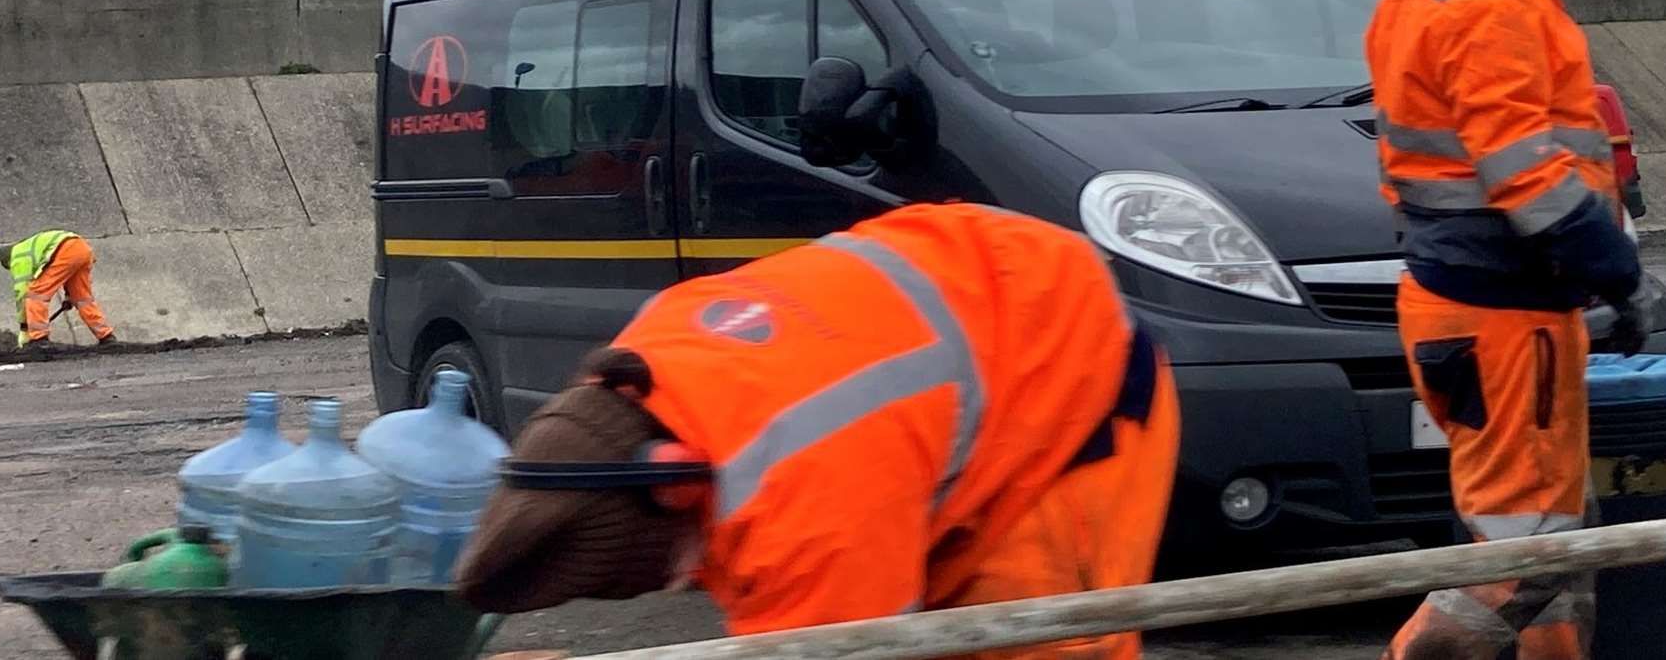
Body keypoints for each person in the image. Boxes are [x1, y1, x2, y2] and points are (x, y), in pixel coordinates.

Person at [454, 202, 1178, 660]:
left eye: (660, 569)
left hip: (1076, 370)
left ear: (674, 483)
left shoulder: (810, 504)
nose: (678, 584)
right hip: (968, 326)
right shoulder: (634, 371)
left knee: (1036, 643)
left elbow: (826, 639)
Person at [1365, 0, 1647, 659]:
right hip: (1502, 319)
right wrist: (1623, 277)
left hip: (1481, 310)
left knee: (1554, 540)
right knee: (1528, 559)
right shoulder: (1496, 1)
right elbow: (1526, 175)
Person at [0, 229, 117, 348]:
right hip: (82, 248)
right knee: (82, 299)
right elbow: (65, 273)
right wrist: (69, 296)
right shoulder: (27, 247)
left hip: (65, 249)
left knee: (36, 294)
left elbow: (22, 292)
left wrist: (24, 327)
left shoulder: (18, 258)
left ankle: (39, 339)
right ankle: (106, 336)